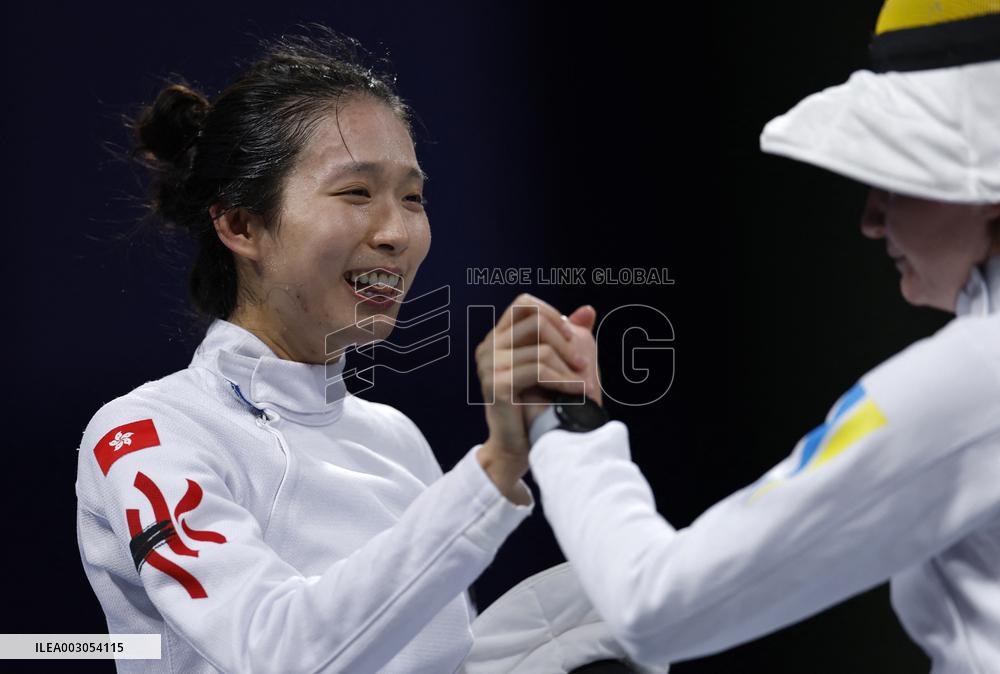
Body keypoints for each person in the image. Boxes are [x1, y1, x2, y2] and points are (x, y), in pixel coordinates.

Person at [74, 25, 640, 673]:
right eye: (356, 193)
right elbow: (280, 656)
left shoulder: (394, 440)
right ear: (240, 223)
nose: (397, 231)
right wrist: (494, 469)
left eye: (413, 197)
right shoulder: (149, 434)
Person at [524, 1, 1000, 671]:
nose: (871, 217)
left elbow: (657, 608)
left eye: (900, 175)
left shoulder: (976, 376)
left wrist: (561, 419)